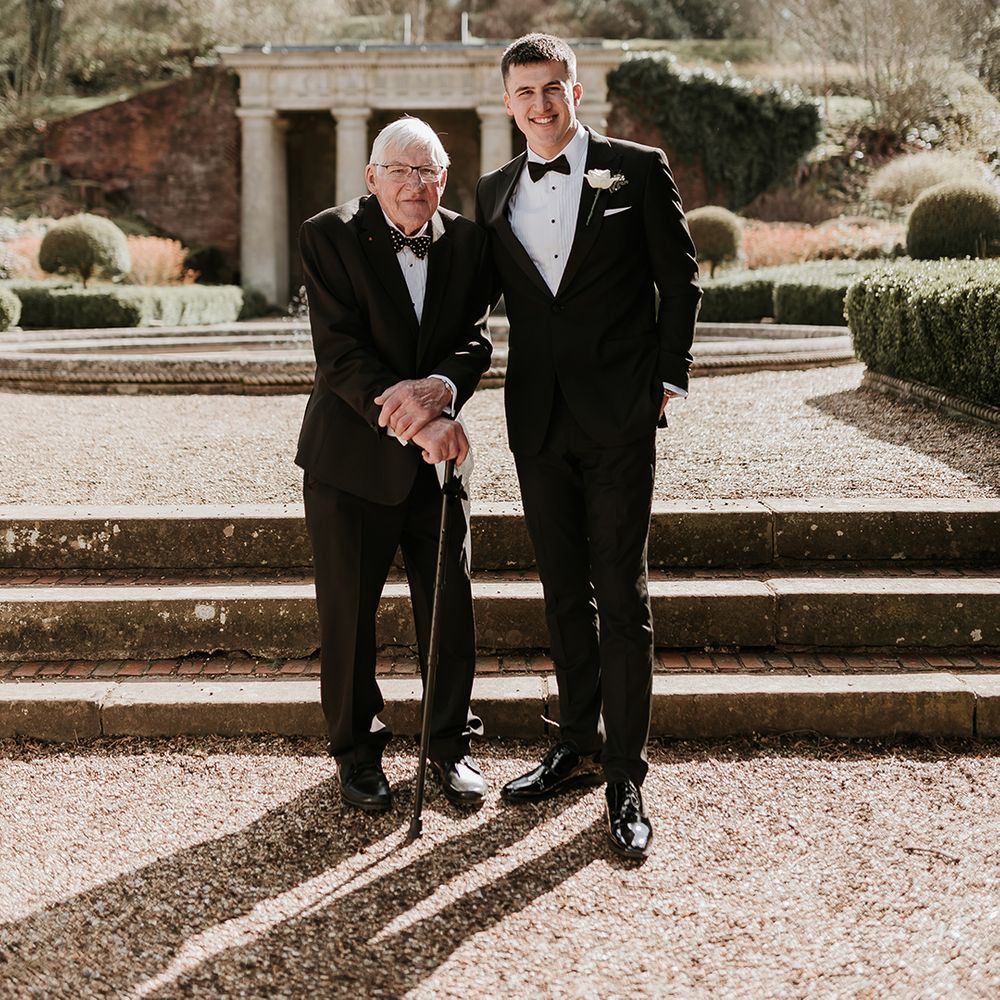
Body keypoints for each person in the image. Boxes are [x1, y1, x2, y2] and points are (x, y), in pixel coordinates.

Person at [476, 34, 702, 858]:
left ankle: (625, 775)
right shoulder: (494, 191)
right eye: (524, 91)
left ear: (577, 88)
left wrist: (667, 378)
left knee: (622, 592)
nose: (540, 104)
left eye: (552, 87)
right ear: (508, 103)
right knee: (564, 590)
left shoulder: (636, 169)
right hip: (536, 423)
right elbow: (474, 308)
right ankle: (572, 743)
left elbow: (679, 278)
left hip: (618, 418)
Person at [297, 117, 492, 814]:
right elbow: (340, 355)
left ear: (445, 178)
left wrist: (443, 391)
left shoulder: (469, 241)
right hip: (351, 462)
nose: (417, 184)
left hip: (439, 468)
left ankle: (450, 748)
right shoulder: (329, 234)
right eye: (402, 170)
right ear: (372, 176)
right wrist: (421, 423)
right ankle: (357, 754)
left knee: (452, 610)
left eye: (429, 171)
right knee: (348, 616)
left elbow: (474, 340)